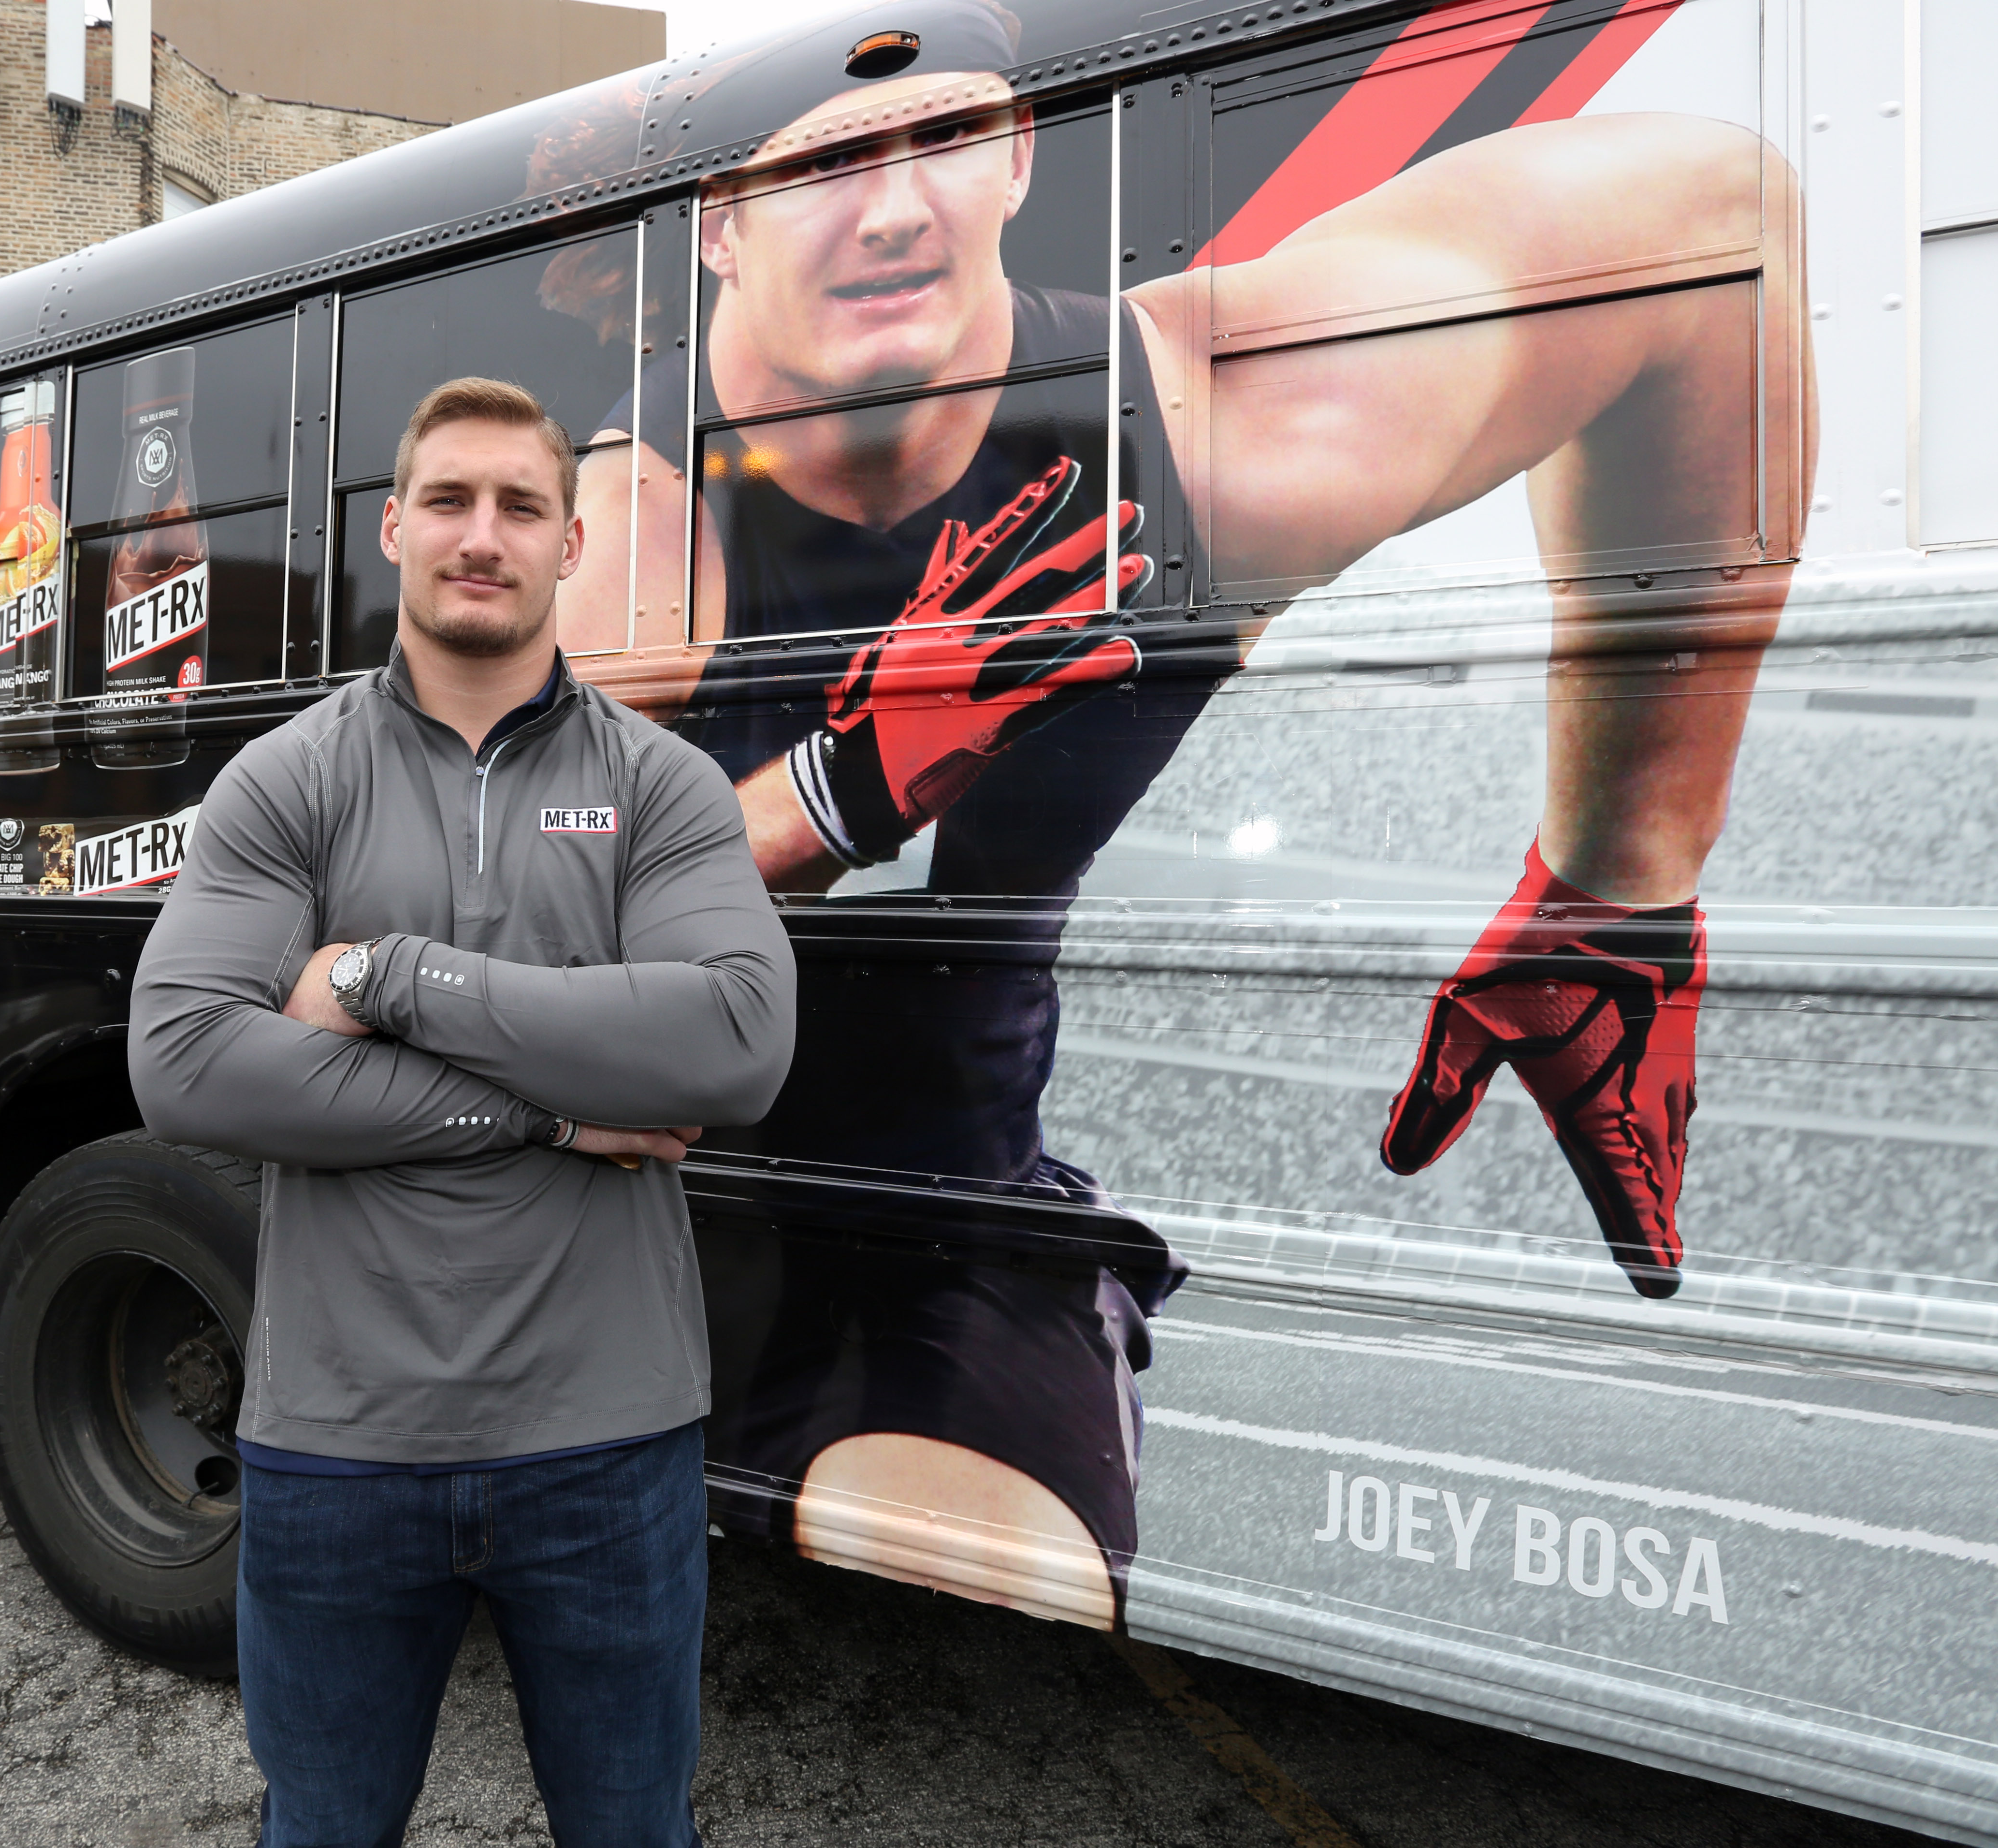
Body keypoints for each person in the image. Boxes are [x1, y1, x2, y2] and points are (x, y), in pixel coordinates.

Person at [548, 1, 1810, 1616]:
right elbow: (539, 923)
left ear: (1017, 156)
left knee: (1014, 1585)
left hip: (945, 1209)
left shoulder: (1217, 438)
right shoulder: (635, 540)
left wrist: (1618, 890)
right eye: (829, 163)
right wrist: (840, 786)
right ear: (718, 225)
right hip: (619, 1201)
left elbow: (1722, 226)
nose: (894, 207)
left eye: (946, 137)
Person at [130, 377, 796, 1848]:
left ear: (569, 545)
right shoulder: (288, 782)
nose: (480, 535)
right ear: (393, 530)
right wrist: (560, 1113)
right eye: (450, 500)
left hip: (609, 1447)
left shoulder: (664, 790)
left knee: (632, 1831)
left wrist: (389, 974)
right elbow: (184, 1063)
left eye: (520, 506)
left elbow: (736, 1045)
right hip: (336, 1447)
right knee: (326, 1832)